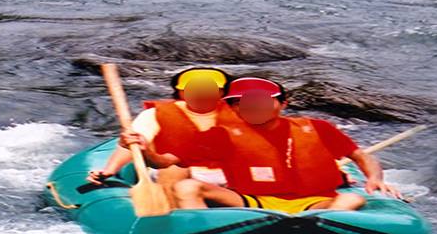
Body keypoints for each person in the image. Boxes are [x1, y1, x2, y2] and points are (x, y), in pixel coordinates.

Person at [172, 77, 402, 214]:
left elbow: (361, 156)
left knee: (353, 198)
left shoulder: (317, 128)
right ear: (232, 108)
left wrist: (375, 178)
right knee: (187, 187)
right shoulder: (221, 134)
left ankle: (322, 225)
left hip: (314, 202)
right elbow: (167, 161)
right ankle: (201, 229)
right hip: (253, 200)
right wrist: (142, 147)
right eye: (239, 103)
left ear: (283, 104)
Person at [88, 67, 239, 197]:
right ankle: (174, 215)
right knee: (175, 169)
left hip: (228, 176)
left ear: (222, 92)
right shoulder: (154, 115)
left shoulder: (240, 113)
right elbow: (132, 143)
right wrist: (110, 170)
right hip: (170, 171)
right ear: (180, 92)